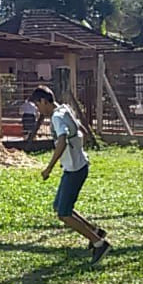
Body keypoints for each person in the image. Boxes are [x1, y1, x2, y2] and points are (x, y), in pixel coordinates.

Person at [30, 85, 111, 264]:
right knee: (59, 206)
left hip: (74, 170)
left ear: (44, 101)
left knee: (64, 213)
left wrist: (49, 168)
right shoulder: (64, 108)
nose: (38, 110)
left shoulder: (56, 118)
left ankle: (99, 243)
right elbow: (81, 131)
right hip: (77, 166)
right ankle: (95, 231)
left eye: (37, 105)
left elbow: (62, 141)